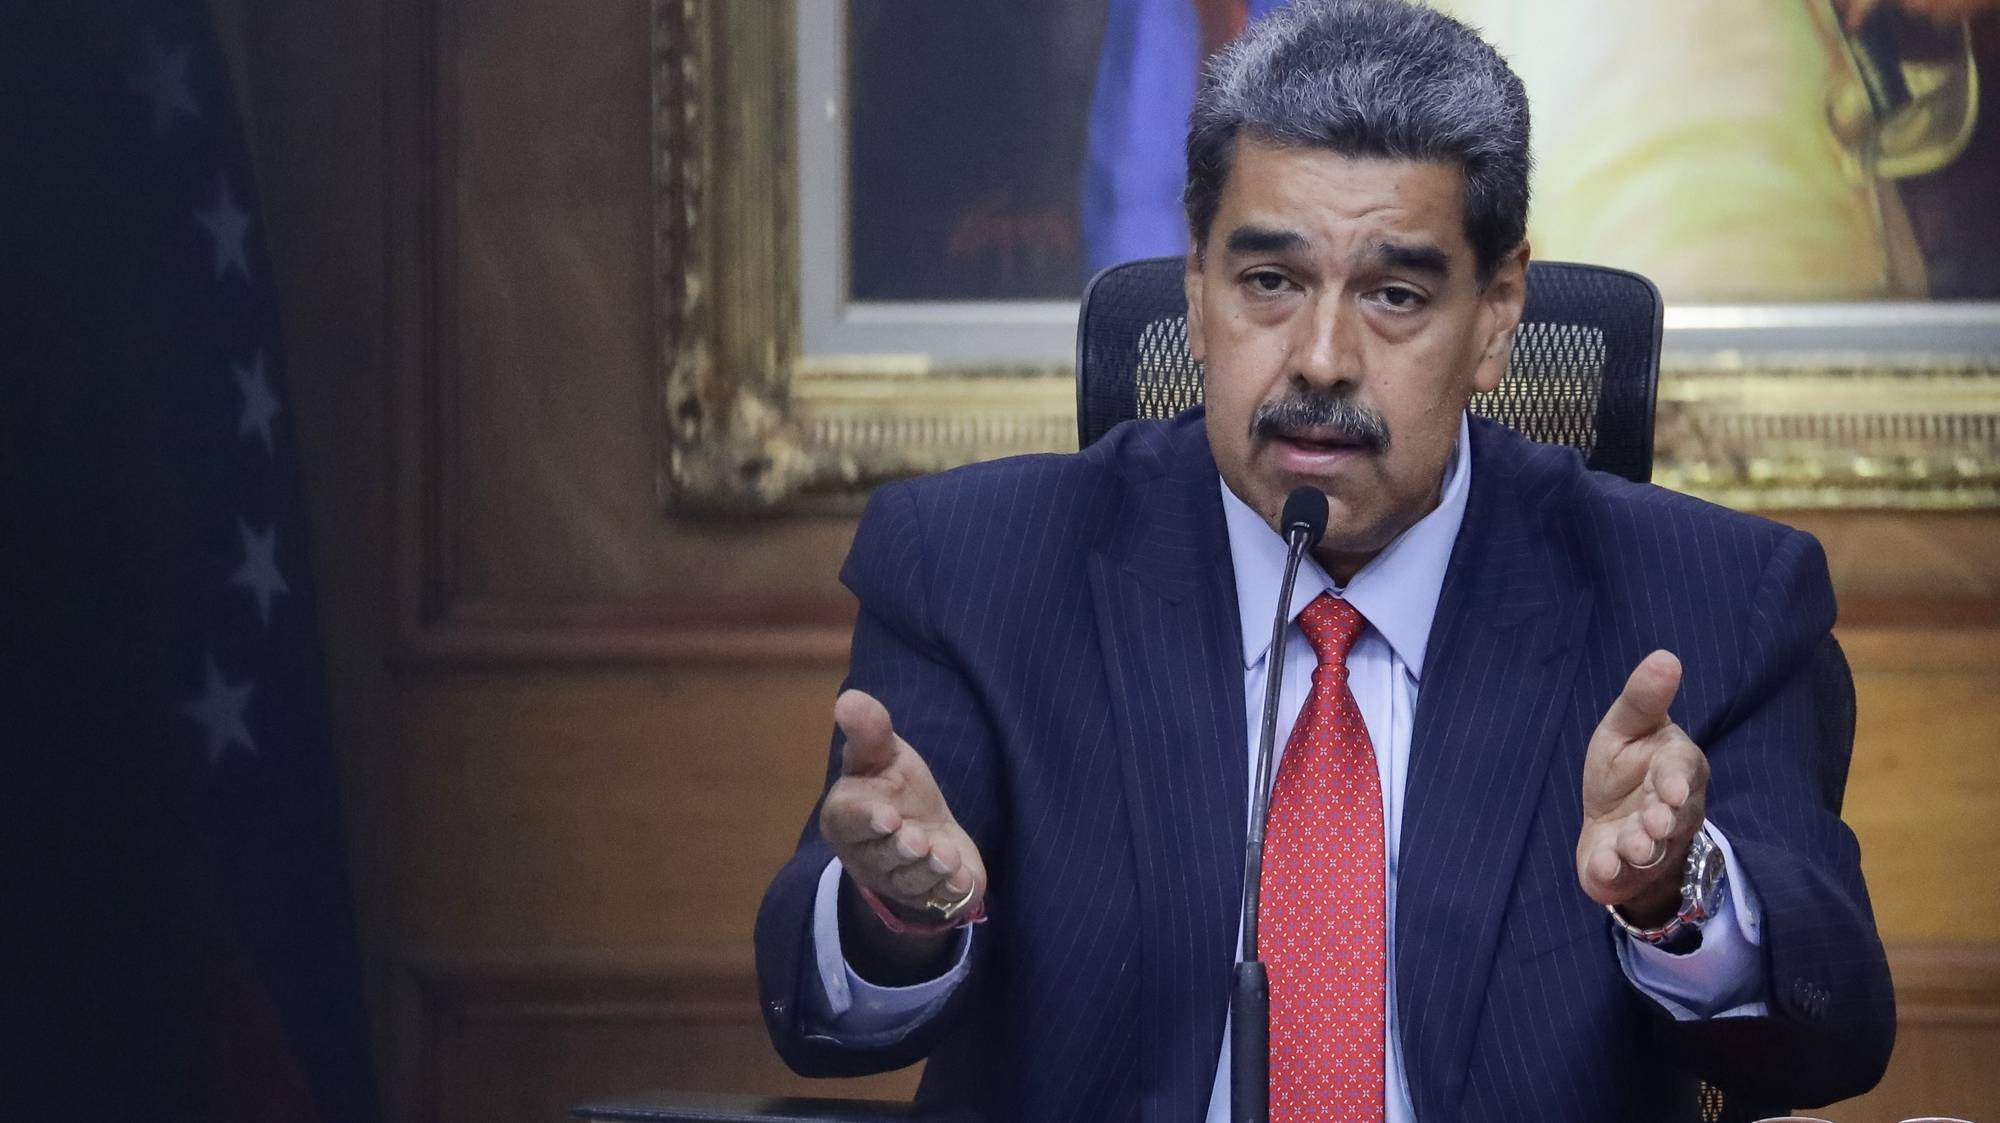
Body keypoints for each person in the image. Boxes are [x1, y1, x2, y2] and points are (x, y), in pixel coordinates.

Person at [756, 1, 1895, 1118]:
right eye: (1268, 282)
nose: (1320, 358)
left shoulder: (1705, 604)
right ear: (1195, 293)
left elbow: (1831, 1032)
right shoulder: (977, 573)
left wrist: (1671, 894)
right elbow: (820, 1019)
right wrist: (900, 914)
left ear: (1496, 315)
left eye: (1393, 294)